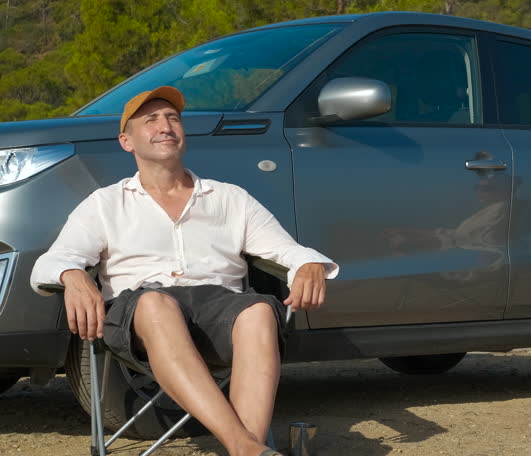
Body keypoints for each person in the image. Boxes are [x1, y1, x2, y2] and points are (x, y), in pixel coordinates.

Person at [30, 86, 338, 456]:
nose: (166, 126)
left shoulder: (229, 199)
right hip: (141, 316)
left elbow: (286, 248)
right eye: (151, 120)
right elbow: (51, 260)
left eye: (173, 118)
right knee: (156, 305)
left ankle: (247, 450)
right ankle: (244, 446)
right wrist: (73, 276)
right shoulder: (105, 204)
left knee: (258, 311)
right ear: (126, 141)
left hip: (219, 310)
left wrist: (307, 263)